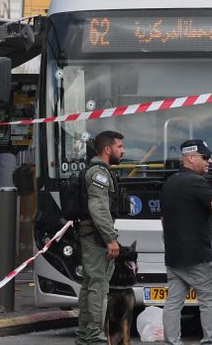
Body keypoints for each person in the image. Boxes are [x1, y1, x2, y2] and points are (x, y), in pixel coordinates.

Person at [160, 139, 212, 345]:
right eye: (205, 157)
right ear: (191, 158)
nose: (209, 161)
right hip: (197, 256)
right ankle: (209, 341)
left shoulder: (170, 182)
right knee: (209, 299)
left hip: (173, 255)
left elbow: (164, 219)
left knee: (173, 302)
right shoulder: (196, 182)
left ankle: (172, 342)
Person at [76, 130, 124, 345]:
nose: (123, 151)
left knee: (90, 285)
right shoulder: (99, 173)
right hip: (96, 237)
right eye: (119, 147)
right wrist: (110, 238)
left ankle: (84, 336)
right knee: (98, 286)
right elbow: (98, 207)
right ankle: (94, 337)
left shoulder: (99, 171)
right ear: (107, 149)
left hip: (94, 235)